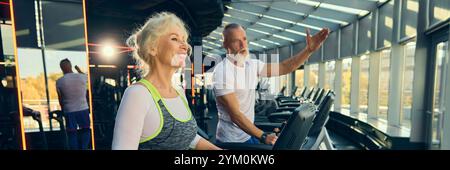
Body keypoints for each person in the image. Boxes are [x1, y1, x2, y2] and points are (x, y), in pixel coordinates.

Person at [112, 12, 221, 150]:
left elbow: (188, 137)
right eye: (175, 39)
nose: (185, 46)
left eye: (184, 40)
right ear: (153, 48)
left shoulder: (179, 91)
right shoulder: (138, 94)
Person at [213, 23, 329, 145]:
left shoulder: (251, 65)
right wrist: (263, 136)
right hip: (231, 141)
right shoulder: (222, 72)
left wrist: (308, 50)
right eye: (236, 41)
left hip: (248, 134)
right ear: (225, 45)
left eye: (244, 39)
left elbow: (284, 67)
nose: (243, 45)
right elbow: (236, 116)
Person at [56, 58, 91, 150]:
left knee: (72, 133)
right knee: (86, 129)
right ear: (70, 66)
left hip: (69, 110)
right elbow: (87, 78)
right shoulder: (81, 77)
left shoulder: (59, 81)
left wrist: (63, 110)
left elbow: (60, 99)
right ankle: (84, 148)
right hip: (83, 108)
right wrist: (78, 69)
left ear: (61, 68)